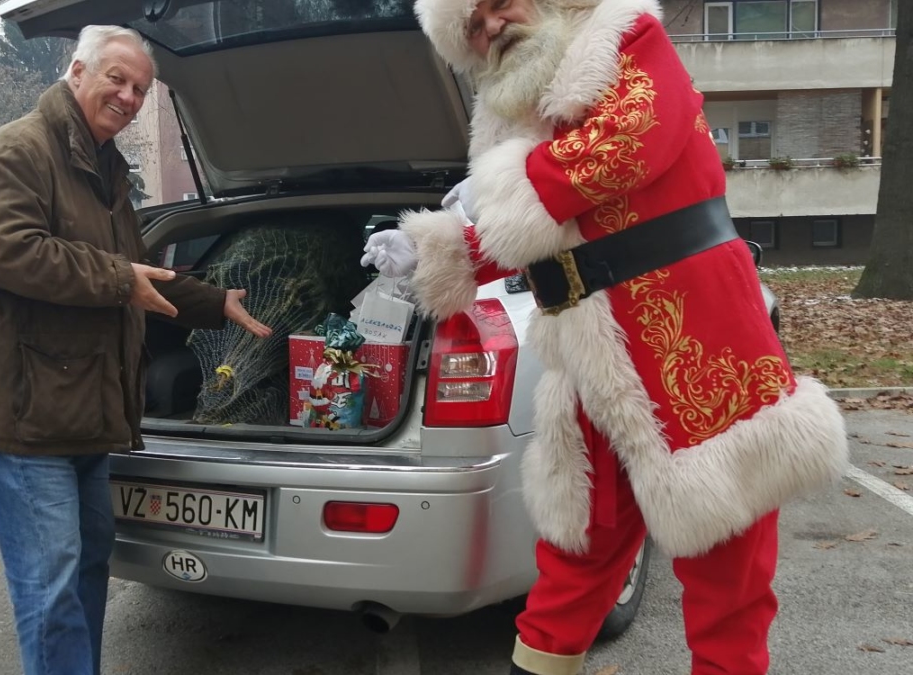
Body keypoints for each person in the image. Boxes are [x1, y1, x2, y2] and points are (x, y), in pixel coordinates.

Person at [362, 1, 849, 673]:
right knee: (575, 558)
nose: (493, 26)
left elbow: (631, 143)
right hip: (593, 366)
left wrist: (500, 187)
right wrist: (441, 250)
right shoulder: (518, 119)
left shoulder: (626, 37)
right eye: (472, 28)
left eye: (497, 3)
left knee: (726, 576)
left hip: (699, 346)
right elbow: (544, 234)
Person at [0, 25, 271, 675]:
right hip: (25, 414)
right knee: (50, 586)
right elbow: (2, 251)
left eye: (140, 88)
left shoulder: (103, 167)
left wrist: (215, 302)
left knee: (89, 564)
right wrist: (119, 280)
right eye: (116, 79)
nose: (127, 96)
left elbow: (138, 265)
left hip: (86, 410)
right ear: (76, 71)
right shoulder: (20, 150)